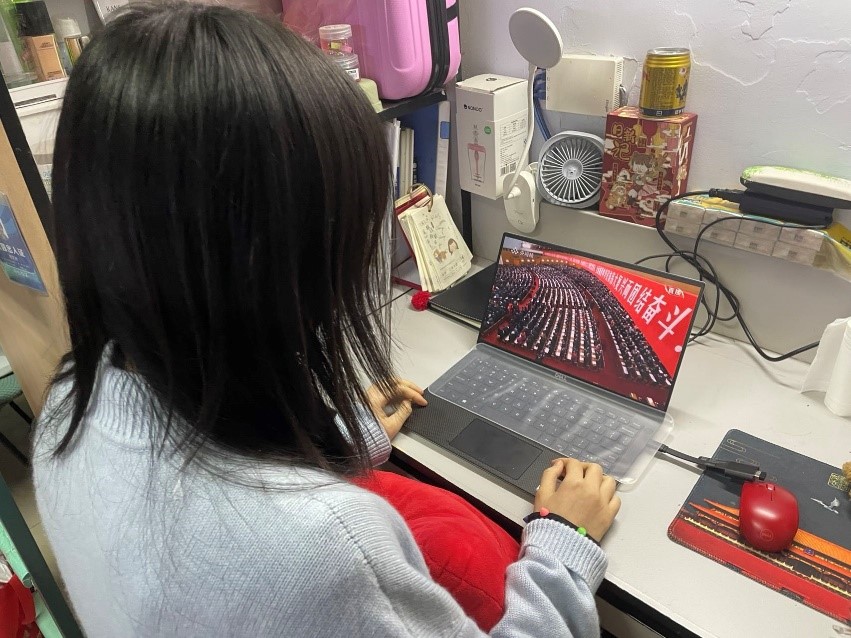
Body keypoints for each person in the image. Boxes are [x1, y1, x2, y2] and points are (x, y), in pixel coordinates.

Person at [33, 4, 621, 636]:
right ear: (274, 262)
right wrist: (563, 543)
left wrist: (337, 437)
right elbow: (276, 546)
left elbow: (215, 469)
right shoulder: (327, 552)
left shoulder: (68, 407)